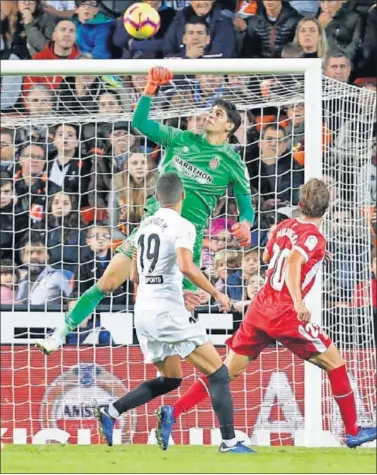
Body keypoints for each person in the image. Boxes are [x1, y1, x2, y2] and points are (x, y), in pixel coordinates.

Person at [35, 66, 254, 354]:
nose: (210, 115)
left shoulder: (232, 163)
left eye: (218, 114)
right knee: (108, 283)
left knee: (186, 309)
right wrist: (150, 88)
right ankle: (59, 333)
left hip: (187, 241)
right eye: (210, 111)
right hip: (150, 229)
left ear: (229, 127)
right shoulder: (182, 139)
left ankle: (190, 372)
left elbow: (246, 208)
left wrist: (246, 224)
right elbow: (140, 122)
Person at [157, 178, 377, 450]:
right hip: (286, 313)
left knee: (226, 372)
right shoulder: (315, 238)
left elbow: (267, 257)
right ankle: (353, 430)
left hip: (260, 308)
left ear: (298, 205)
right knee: (336, 364)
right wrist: (298, 301)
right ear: (327, 209)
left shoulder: (285, 226)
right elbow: (295, 260)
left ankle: (174, 412)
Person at [94, 173, 254, 454]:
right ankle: (230, 442)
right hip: (166, 311)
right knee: (219, 372)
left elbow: (135, 274)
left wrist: (173, 291)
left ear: (157, 198)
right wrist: (217, 293)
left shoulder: (144, 226)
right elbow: (185, 265)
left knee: (171, 378)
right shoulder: (184, 225)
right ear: (183, 197)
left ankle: (111, 411)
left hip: (143, 311)